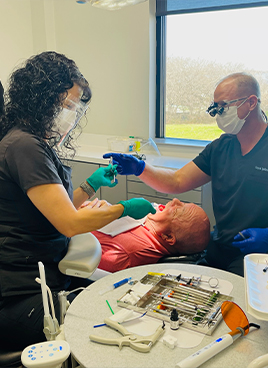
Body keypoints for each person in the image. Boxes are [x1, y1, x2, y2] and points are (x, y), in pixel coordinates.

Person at [0, 51, 156, 349]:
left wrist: (90, 185)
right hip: (23, 293)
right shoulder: (24, 146)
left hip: (44, 274)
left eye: (76, 108)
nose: (72, 114)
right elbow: (69, 223)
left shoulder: (29, 141)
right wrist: (124, 208)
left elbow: (56, 208)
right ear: (43, 97)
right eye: (68, 104)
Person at [104, 72, 268, 277]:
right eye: (215, 108)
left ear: (251, 102)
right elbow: (176, 181)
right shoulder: (220, 148)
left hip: (259, 254)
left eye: (223, 107)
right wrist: (140, 169)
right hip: (221, 245)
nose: (218, 114)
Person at [91, 198, 210, 272]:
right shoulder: (155, 216)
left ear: (168, 237)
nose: (174, 200)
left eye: (176, 210)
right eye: (183, 203)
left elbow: (76, 254)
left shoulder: (125, 255)